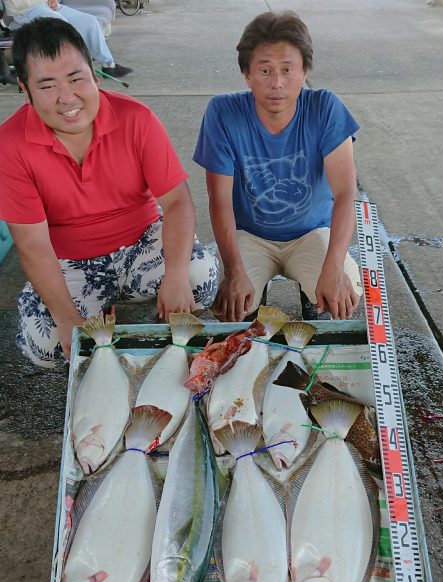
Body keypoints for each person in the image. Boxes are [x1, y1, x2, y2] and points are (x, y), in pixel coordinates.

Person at [0, 17, 218, 367]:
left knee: (198, 279)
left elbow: (177, 201)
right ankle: (99, 309)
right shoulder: (9, 145)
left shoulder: (136, 118)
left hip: (143, 239)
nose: (67, 97)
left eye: (76, 79)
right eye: (47, 86)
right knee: (45, 344)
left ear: (95, 73)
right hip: (70, 260)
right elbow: (33, 244)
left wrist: (175, 276)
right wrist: (66, 317)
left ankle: (151, 305)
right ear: (24, 89)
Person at [193, 11, 363, 322]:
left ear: (304, 71)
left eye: (287, 69)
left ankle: (314, 299)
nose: (277, 83)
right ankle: (255, 302)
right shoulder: (222, 113)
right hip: (251, 235)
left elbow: (346, 194)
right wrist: (234, 272)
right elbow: (219, 202)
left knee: (345, 290)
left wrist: (334, 268)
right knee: (229, 307)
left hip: (312, 232)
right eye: (265, 70)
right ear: (247, 74)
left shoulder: (325, 108)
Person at [3, 0, 132, 77]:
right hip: (22, 12)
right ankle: (75, 68)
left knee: (89, 21)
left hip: (45, 6)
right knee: (63, 26)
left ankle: (109, 65)